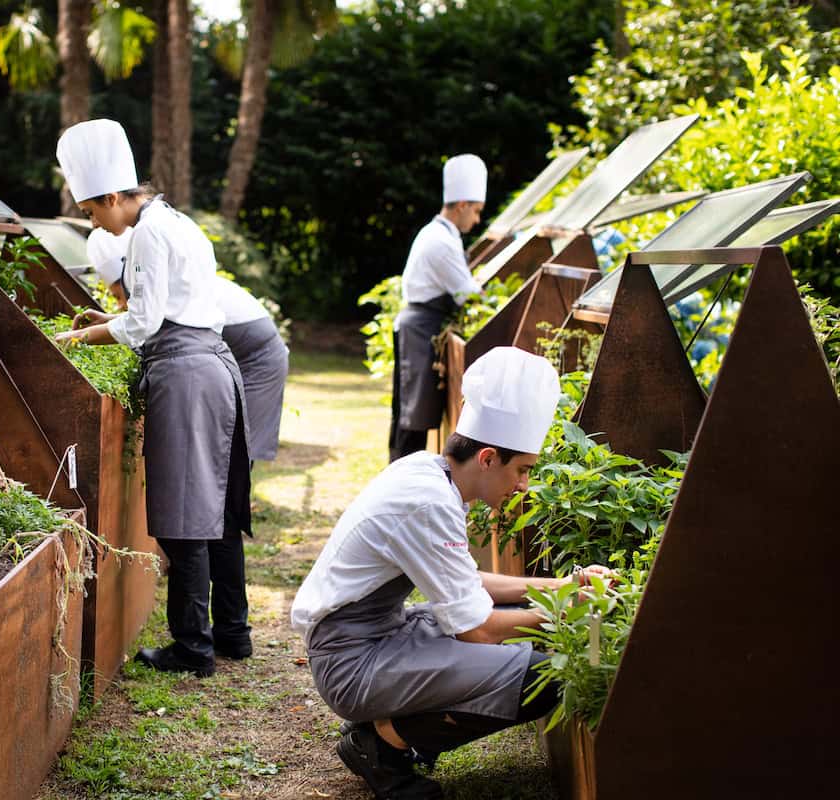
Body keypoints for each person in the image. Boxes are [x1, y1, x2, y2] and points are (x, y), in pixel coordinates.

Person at [291, 346, 613, 799]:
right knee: (544, 678)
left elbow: (468, 583)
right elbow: (478, 630)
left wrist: (562, 586)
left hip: (372, 639)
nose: (524, 485)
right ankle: (382, 747)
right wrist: (566, 611)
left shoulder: (430, 473)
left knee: (514, 622)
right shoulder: (428, 502)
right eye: (521, 471)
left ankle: (384, 734)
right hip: (353, 663)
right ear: (487, 459)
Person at [54, 119, 252, 678]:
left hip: (185, 374)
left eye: (94, 212)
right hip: (214, 363)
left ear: (115, 197)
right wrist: (109, 318)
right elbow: (161, 308)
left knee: (184, 516)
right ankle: (233, 634)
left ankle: (193, 649)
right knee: (219, 509)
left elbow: (145, 322)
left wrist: (77, 337)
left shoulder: (145, 233)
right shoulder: (176, 222)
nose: (97, 223)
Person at [87, 226, 290, 462]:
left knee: (235, 453)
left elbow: (149, 325)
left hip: (257, 358)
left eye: (118, 296)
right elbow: (149, 322)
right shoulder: (160, 285)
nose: (120, 304)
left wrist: (85, 336)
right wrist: (112, 321)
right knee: (218, 451)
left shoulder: (164, 286)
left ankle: (237, 500)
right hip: (228, 356)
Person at [390, 153, 487, 462]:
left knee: (411, 411)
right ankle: (402, 478)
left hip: (419, 326)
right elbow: (468, 294)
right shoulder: (441, 243)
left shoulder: (441, 234)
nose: (477, 220)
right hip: (421, 328)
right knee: (413, 416)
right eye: (476, 211)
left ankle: (402, 477)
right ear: (461, 206)